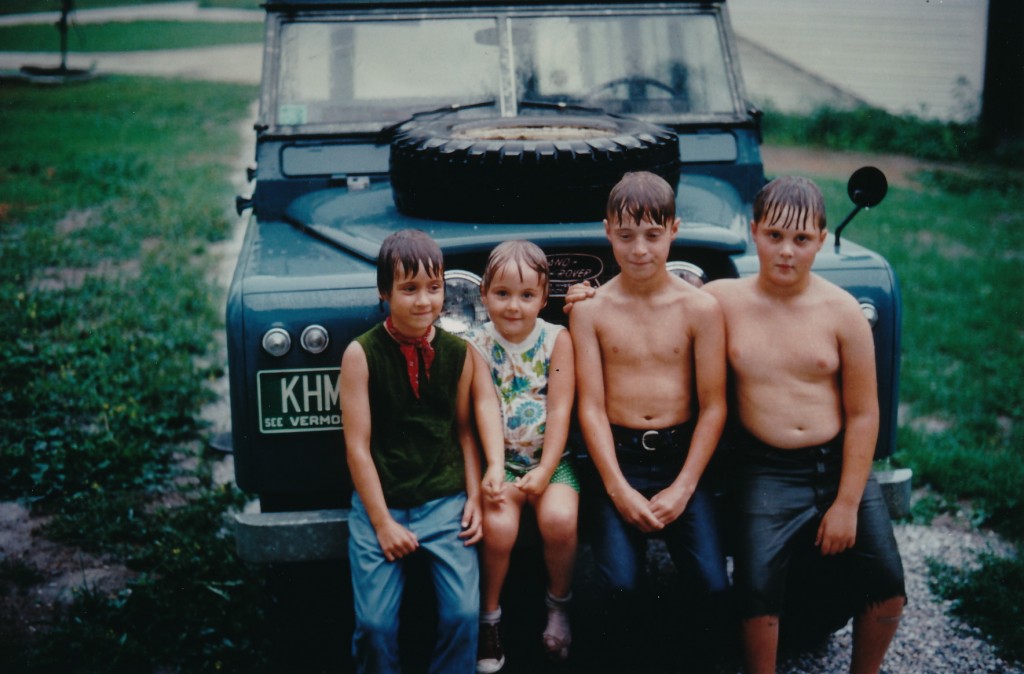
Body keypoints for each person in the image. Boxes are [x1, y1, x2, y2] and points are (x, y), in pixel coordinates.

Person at [703, 175, 906, 674]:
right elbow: (656, 299)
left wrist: (846, 503)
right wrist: (586, 297)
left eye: (801, 239)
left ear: (819, 238)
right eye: (774, 236)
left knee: (886, 585)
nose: (787, 252)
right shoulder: (723, 300)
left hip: (838, 462)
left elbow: (864, 414)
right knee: (757, 585)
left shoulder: (842, 312)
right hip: (766, 467)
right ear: (754, 232)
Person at [568, 171, 731, 664]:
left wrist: (683, 486)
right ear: (607, 232)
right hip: (616, 459)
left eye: (653, 235)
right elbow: (590, 407)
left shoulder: (700, 308)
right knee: (618, 586)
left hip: (683, 461)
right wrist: (617, 489)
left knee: (713, 586)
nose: (639, 249)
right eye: (626, 235)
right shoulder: (590, 310)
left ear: (673, 231)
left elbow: (715, 405)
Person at [340, 228, 505, 674]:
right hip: (383, 503)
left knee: (462, 614)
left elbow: (465, 431)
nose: (423, 301)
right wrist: (382, 523)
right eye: (409, 289)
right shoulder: (361, 355)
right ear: (384, 292)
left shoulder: (461, 354)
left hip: (444, 499)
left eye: (433, 288)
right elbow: (357, 448)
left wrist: (472, 497)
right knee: (375, 624)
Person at [464, 241, 579, 673]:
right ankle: (489, 617)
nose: (514, 306)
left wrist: (548, 468)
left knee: (560, 520)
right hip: (506, 464)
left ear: (543, 299)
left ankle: (559, 607)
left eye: (527, 296)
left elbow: (560, 406)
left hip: (554, 461)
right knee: (498, 527)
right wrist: (495, 466)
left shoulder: (557, 339)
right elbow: (484, 407)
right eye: (503, 294)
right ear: (484, 294)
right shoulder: (477, 344)